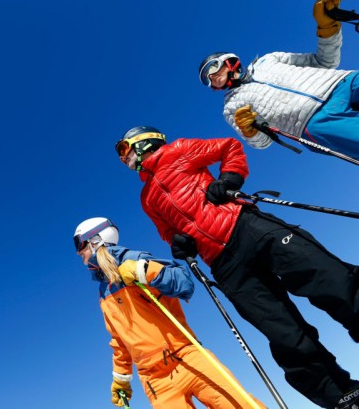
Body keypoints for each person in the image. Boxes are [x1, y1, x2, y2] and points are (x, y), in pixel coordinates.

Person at [113, 125, 359, 409]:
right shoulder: (147, 198)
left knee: (329, 279)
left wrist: (230, 177)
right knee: (283, 333)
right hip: (222, 262)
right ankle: (343, 396)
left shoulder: (178, 151)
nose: (123, 157)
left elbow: (228, 146)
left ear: (144, 141)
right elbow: (166, 231)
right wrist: (178, 243)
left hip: (246, 226)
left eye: (123, 148)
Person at [72, 217, 267, 409]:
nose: (79, 253)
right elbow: (119, 340)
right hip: (154, 379)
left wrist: (143, 270)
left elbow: (183, 283)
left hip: (186, 356)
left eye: (79, 245)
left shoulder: (134, 260)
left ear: (96, 240)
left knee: (239, 406)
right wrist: (121, 379)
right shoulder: (103, 292)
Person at [199, 0, 359, 161]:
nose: (212, 77)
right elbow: (263, 142)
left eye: (212, 67)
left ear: (227, 60)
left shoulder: (269, 60)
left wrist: (327, 29)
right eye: (206, 79)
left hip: (341, 83)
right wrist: (250, 131)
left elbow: (325, 61)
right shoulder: (231, 107)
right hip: (315, 121)